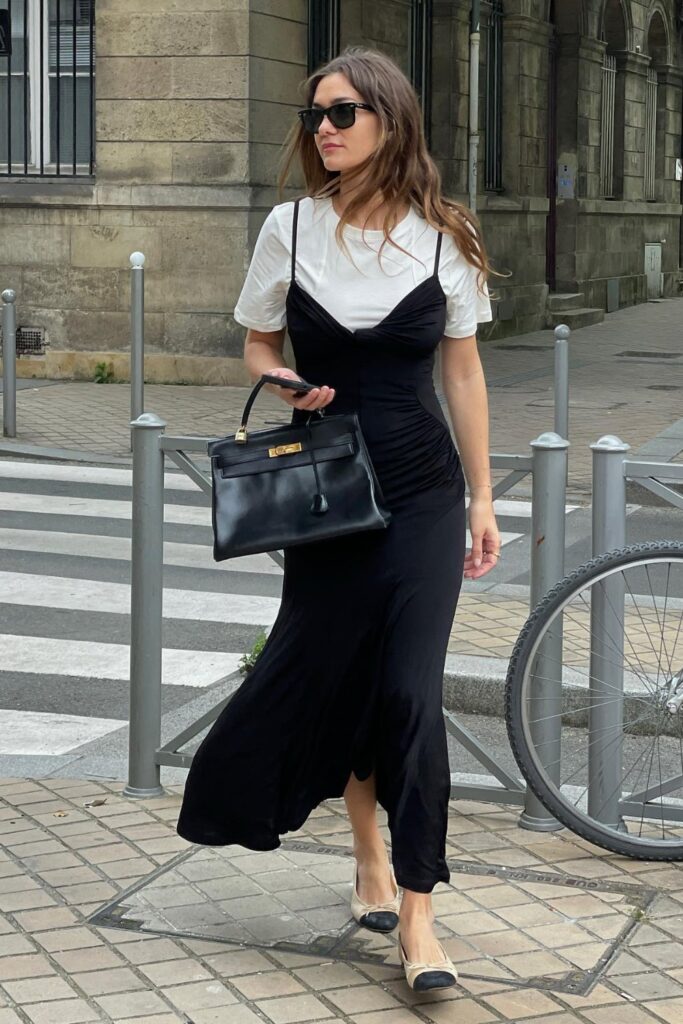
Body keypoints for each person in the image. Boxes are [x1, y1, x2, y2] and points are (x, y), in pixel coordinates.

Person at [176, 45, 500, 992]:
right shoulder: (289, 227)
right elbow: (257, 338)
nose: (322, 128)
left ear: (389, 119)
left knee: (408, 690)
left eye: (342, 112)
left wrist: (484, 499)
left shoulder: (446, 235)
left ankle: (418, 911)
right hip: (327, 490)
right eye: (314, 114)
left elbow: (465, 372)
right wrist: (276, 378)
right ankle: (365, 852)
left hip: (422, 491)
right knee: (340, 674)